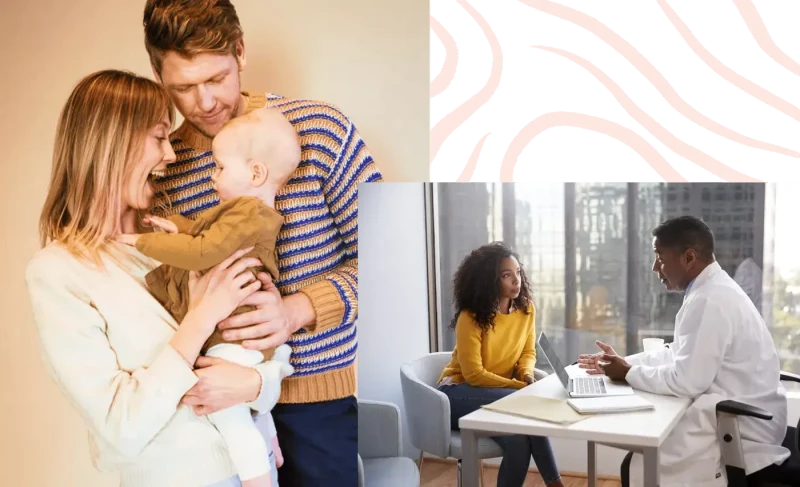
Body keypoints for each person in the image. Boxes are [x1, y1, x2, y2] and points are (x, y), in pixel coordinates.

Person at [142, 1, 382, 484]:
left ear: (241, 52)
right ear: (158, 74)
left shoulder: (318, 129)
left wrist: (296, 310)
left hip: (321, 403)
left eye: (216, 78)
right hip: (216, 405)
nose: (204, 102)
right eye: (183, 88)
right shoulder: (163, 167)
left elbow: (388, 259)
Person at [26, 70, 286, 487]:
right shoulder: (57, 273)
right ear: (114, 144)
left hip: (256, 466)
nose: (171, 154)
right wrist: (200, 319)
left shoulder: (177, 235)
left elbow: (251, 370)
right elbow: (121, 426)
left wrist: (257, 381)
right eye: (159, 137)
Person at [115, 107, 303, 487]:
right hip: (245, 340)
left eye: (219, 168)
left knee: (230, 420)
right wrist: (178, 226)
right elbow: (207, 232)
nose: (212, 176)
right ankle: (270, 442)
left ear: (255, 173)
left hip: (231, 337)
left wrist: (145, 242)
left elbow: (203, 251)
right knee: (247, 410)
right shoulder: (245, 213)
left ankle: (258, 479)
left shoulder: (249, 213)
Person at [578, 216, 789, 487]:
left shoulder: (710, 299)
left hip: (743, 425)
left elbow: (688, 380)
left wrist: (628, 373)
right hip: (748, 411)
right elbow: (677, 352)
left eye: (660, 257)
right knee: (643, 452)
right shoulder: (710, 290)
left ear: (689, 257)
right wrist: (621, 363)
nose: (655, 267)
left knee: (641, 464)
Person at [437, 242, 564, 487]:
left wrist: (525, 374)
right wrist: (518, 388)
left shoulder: (526, 310)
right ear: (489, 281)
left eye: (518, 272)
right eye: (507, 275)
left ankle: (554, 483)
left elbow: (528, 352)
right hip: (456, 395)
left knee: (518, 441)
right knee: (529, 406)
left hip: (499, 396)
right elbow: (473, 375)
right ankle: (556, 484)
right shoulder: (470, 317)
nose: (516, 281)